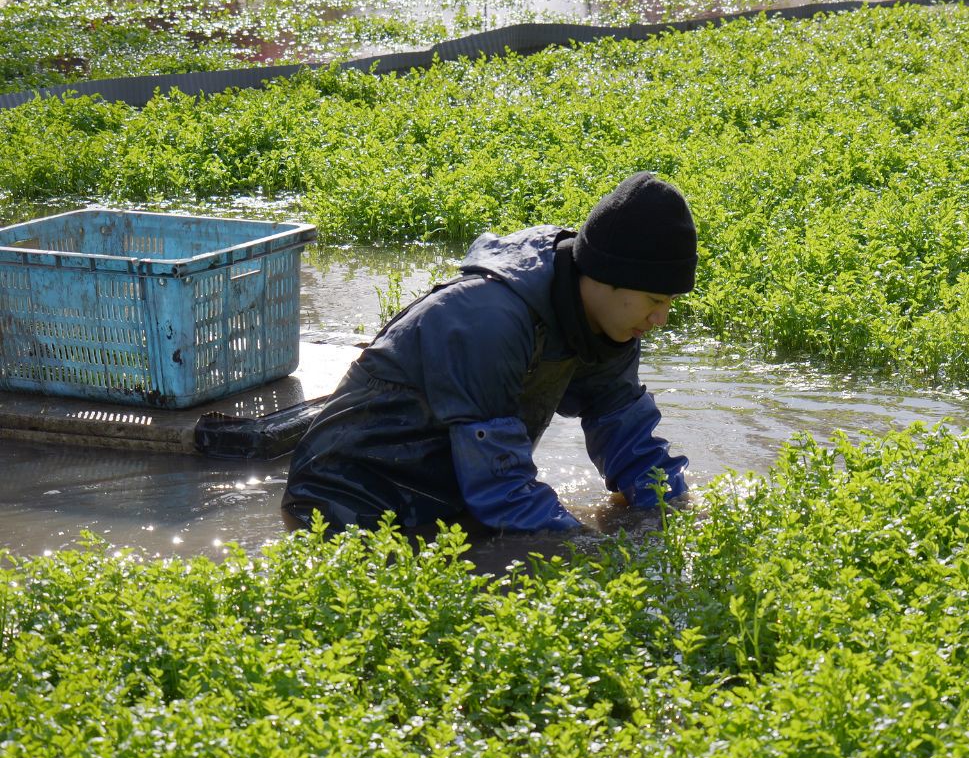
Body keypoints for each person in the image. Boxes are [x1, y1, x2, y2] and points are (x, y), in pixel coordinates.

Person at [281, 171, 696, 536]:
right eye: (654, 299)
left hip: (454, 500)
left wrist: (673, 508)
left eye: (669, 302)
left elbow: (630, 440)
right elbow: (504, 490)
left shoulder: (613, 325)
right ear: (606, 278)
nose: (660, 318)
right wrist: (585, 545)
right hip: (346, 506)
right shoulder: (489, 318)